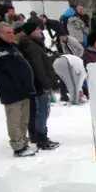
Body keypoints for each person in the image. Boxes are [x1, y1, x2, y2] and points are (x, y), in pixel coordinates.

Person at [0, 22, 37, 157]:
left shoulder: (13, 46)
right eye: (7, 33)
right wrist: (8, 84)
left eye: (11, 32)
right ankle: (18, 146)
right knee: (14, 119)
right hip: (10, 91)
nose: (11, 35)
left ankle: (24, 141)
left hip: (25, 88)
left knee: (24, 119)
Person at [18, 21, 59, 151]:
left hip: (36, 83)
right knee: (42, 111)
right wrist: (47, 83)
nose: (40, 31)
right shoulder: (32, 47)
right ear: (30, 32)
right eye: (37, 29)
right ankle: (41, 138)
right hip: (39, 84)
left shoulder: (32, 44)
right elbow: (38, 68)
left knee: (39, 111)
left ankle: (37, 136)